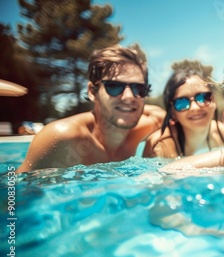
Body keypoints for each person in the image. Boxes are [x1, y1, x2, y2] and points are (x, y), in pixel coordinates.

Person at [17, 44, 163, 173]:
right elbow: (15, 195)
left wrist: (125, 107)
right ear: (92, 92)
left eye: (139, 88)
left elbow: (162, 114)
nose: (129, 96)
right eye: (114, 86)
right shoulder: (62, 137)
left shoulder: (145, 125)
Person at [142, 67, 224, 158]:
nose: (194, 107)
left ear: (213, 101)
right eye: (181, 102)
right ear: (172, 111)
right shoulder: (159, 147)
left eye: (203, 97)